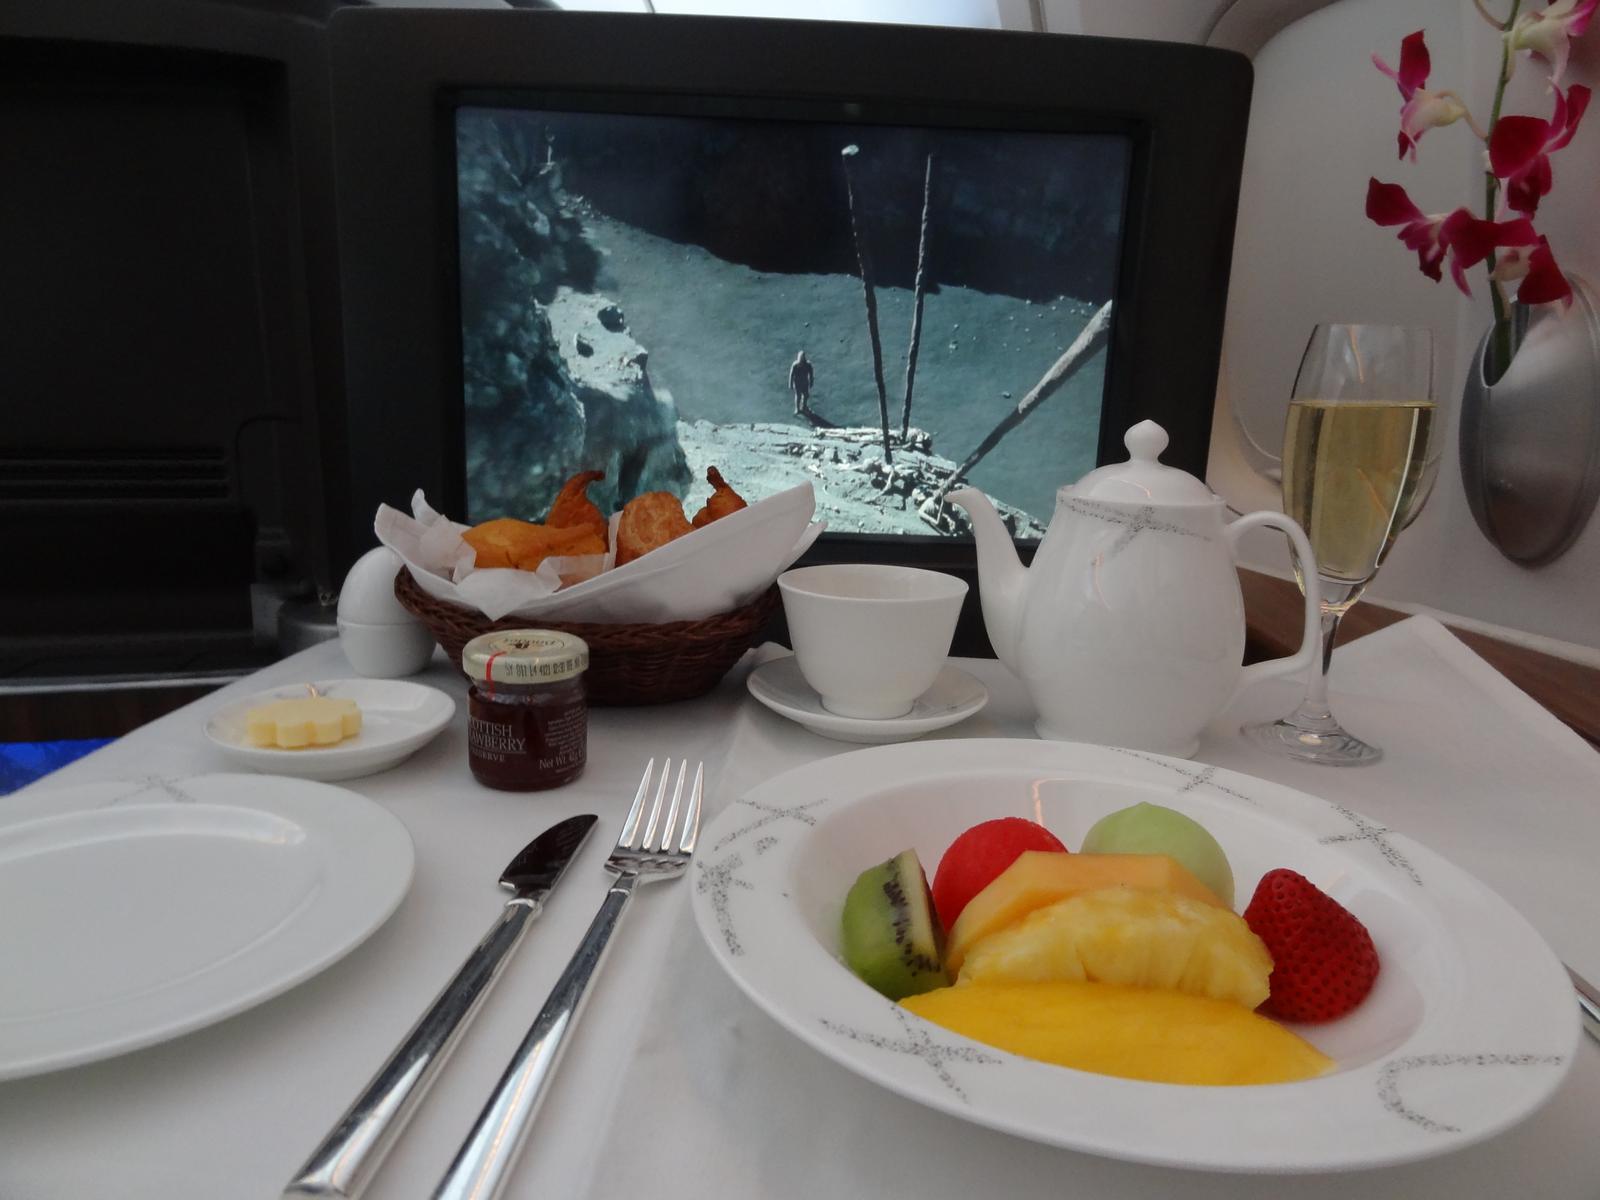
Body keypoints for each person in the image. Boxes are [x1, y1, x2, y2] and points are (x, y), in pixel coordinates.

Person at [788, 350, 815, 415]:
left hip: (805, 383)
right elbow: (791, 375)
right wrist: (790, 384)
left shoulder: (808, 365)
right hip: (797, 383)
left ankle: (804, 407)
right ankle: (797, 408)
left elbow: (811, 374)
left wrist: (811, 382)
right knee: (798, 396)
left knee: (806, 395)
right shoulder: (795, 365)